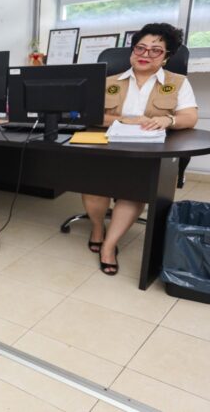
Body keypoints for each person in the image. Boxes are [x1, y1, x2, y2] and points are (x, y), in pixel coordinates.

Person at [84, 22, 198, 276]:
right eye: (140, 48)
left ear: (167, 57)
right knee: (92, 186)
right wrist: (124, 120)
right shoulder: (109, 81)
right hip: (108, 147)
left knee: (133, 191)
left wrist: (169, 120)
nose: (145, 55)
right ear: (132, 50)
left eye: (155, 50)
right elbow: (91, 115)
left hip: (147, 152)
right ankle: (97, 229)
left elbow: (190, 117)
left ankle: (109, 246)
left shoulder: (178, 82)